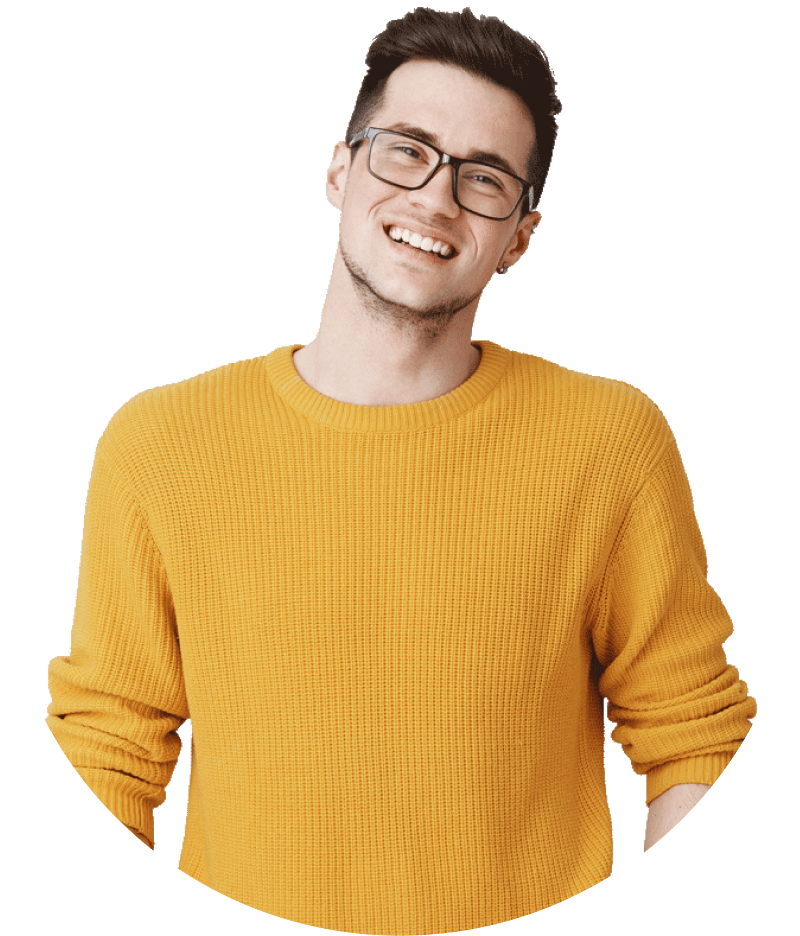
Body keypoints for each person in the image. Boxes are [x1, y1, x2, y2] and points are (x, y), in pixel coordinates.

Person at [45, 8, 756, 934]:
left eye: (485, 177)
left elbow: (692, 733)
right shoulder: (158, 443)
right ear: (340, 171)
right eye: (406, 151)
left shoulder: (610, 442)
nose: (435, 198)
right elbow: (108, 749)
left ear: (521, 236)